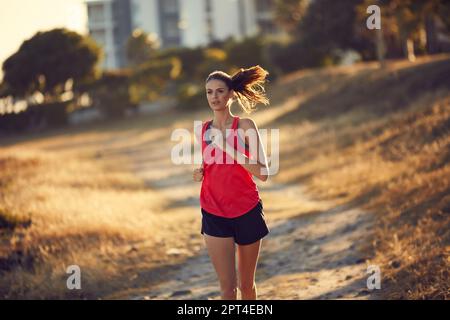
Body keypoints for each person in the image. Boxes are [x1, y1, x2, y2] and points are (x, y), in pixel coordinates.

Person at [193, 65, 270, 300]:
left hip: (246, 209)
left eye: (219, 91)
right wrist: (200, 172)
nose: (214, 97)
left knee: (246, 286)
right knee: (226, 288)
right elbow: (212, 164)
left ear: (231, 94)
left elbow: (263, 172)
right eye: (209, 92)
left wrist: (229, 147)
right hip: (214, 210)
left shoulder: (245, 126)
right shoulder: (202, 129)